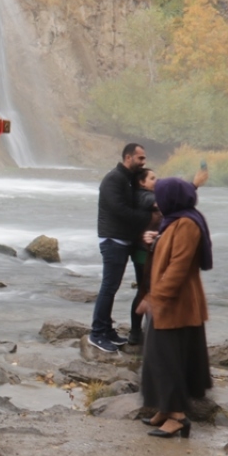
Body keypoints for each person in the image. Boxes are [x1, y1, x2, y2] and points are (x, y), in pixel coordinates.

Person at [136, 175, 212, 438]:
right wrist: (154, 240)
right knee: (156, 359)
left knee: (168, 361)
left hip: (176, 305)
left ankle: (177, 416)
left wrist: (155, 298)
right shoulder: (175, 221)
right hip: (168, 303)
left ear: (172, 198)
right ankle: (165, 409)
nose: (157, 202)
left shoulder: (187, 224)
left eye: (160, 197)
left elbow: (178, 268)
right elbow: (168, 252)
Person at [89, 143, 148, 353]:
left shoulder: (128, 179)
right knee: (109, 287)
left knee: (112, 287)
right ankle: (96, 334)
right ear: (128, 157)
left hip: (123, 240)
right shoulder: (113, 179)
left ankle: (107, 329)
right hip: (113, 240)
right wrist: (147, 218)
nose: (143, 162)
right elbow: (120, 210)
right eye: (140, 158)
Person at [127, 168, 162, 347]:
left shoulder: (142, 195)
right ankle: (137, 332)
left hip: (145, 250)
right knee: (145, 290)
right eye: (152, 178)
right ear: (142, 182)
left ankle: (140, 332)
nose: (156, 181)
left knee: (146, 290)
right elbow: (159, 203)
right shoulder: (143, 196)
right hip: (143, 251)